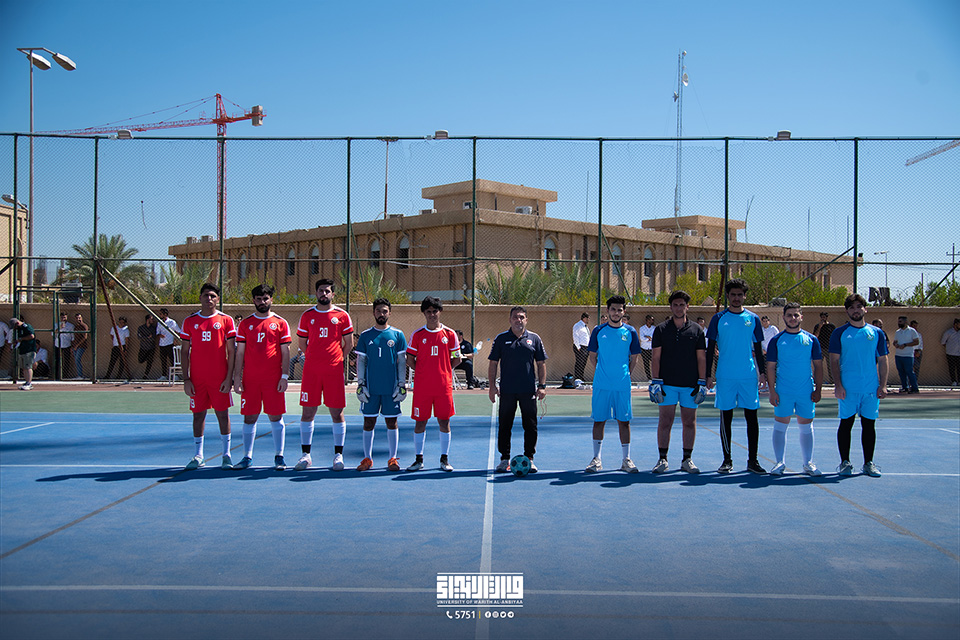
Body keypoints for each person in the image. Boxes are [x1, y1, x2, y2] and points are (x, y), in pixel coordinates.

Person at [706, 278, 767, 474]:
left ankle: (753, 461)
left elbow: (758, 348)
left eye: (740, 294)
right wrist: (708, 375)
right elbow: (710, 349)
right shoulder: (718, 318)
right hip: (725, 376)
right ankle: (727, 460)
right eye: (733, 294)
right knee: (726, 417)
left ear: (745, 296)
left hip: (748, 375)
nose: (736, 298)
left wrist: (762, 373)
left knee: (752, 418)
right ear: (728, 296)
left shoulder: (753, 319)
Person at [294, 278, 354, 471]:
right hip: (311, 371)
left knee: (337, 413)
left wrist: (336, 359)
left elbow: (349, 344)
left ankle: (338, 455)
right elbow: (302, 343)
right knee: (308, 412)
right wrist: (313, 357)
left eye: (327, 291)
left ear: (333, 294)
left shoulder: (342, 315)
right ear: (316, 293)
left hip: (333, 371)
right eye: (321, 290)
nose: (324, 294)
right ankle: (306, 455)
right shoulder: (307, 315)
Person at [232, 284, 291, 470]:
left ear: (271, 299)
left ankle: (279, 456)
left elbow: (285, 352)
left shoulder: (280, 323)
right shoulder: (245, 324)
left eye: (266, 298)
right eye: (259, 299)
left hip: (273, 380)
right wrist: (237, 377)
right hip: (250, 380)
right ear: (253, 301)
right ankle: (247, 457)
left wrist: (284, 376)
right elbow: (240, 353)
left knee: (275, 417)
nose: (262, 302)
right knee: (249, 418)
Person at [648, 290, 707, 474]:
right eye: (675, 305)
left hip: (690, 385)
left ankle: (687, 459)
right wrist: (656, 382)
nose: (679, 308)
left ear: (687, 307)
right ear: (671, 307)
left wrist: (702, 382)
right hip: (667, 385)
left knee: (689, 422)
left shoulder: (697, 330)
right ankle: (662, 459)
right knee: (665, 421)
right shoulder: (661, 329)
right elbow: (655, 357)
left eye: (682, 305)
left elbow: (701, 358)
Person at [830, 294, 888, 477]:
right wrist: (838, 385)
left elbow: (883, 360)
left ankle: (868, 463)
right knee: (846, 424)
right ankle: (845, 463)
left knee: (869, 425)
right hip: (848, 389)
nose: (855, 310)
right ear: (847, 311)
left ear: (865, 309)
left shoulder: (876, 333)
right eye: (851, 307)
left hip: (870, 389)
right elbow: (834, 361)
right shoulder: (839, 333)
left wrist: (883, 385)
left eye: (859, 307)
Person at [181, 283, 237, 470]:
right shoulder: (190, 321)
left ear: (218, 299)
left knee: (223, 415)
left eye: (213, 296)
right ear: (200, 297)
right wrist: (186, 379)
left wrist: (229, 378)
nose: (209, 299)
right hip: (197, 380)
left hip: (219, 379)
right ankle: (198, 455)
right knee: (198, 416)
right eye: (206, 295)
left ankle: (226, 455)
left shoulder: (226, 320)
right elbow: (184, 351)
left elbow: (231, 351)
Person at [765, 303, 824, 476]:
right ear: (784, 317)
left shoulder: (811, 340)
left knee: (806, 426)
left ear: (801, 317)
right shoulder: (777, 340)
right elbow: (770, 367)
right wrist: (772, 391)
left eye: (796, 315)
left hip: (805, 391)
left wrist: (818, 389)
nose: (793, 318)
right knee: (780, 425)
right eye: (789, 315)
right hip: (783, 391)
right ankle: (779, 463)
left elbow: (818, 366)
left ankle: (808, 463)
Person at [585, 295, 642, 473]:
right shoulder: (598, 331)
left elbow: (634, 358)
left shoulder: (631, 332)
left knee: (624, 422)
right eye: (613, 309)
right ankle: (596, 459)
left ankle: (626, 460)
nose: (616, 313)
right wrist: (602, 371)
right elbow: (592, 356)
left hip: (622, 385)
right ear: (607, 310)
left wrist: (624, 374)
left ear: (624, 311)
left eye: (619, 310)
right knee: (599, 421)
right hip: (602, 384)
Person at [488, 306, 548, 473]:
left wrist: (542, 386)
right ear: (510, 319)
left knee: (530, 426)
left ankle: (529, 458)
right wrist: (492, 387)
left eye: (521, 317)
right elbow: (493, 363)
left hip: (528, 390)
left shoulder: (534, 338)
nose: (518, 320)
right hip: (507, 391)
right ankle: (504, 459)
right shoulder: (501, 339)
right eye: (515, 317)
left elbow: (541, 363)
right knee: (505, 425)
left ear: (526, 320)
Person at [406, 296, 461, 472]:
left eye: (435, 311)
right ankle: (418, 459)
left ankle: (444, 459)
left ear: (440, 312)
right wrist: (423, 373)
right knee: (420, 422)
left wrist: (443, 370)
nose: (432, 314)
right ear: (424, 313)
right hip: (422, 388)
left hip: (443, 387)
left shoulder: (450, 334)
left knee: (444, 422)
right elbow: (410, 359)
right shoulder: (417, 335)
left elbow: (457, 358)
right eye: (428, 311)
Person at [354, 298, 408, 472]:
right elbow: (361, 361)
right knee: (368, 422)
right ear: (373, 312)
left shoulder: (397, 335)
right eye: (378, 311)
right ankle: (367, 459)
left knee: (392, 422)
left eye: (385, 311)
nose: (381, 314)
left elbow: (401, 361)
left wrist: (402, 384)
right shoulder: (365, 335)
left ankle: (392, 458)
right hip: (371, 389)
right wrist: (360, 384)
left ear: (389, 313)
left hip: (391, 389)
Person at [892, 315, 920, 394]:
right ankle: (905, 387)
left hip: (908, 355)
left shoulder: (912, 331)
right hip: (898, 355)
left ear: (905, 322)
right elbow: (895, 342)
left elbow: (916, 342)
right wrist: (896, 344)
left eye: (900, 321)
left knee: (909, 371)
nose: (899, 323)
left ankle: (914, 388)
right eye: (898, 322)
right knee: (901, 372)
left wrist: (905, 345)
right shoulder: (898, 332)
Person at [10, 318, 37, 390]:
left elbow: (31, 336)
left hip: (29, 350)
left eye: (15, 326)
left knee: (28, 367)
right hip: (22, 350)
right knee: (24, 368)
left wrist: (21, 339)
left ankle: (29, 383)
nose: (15, 328)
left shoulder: (27, 327)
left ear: (17, 323)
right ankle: (26, 382)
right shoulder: (19, 329)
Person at [156, 308, 180, 380]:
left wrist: (175, 339)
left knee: (172, 360)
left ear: (165, 314)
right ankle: (164, 375)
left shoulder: (172, 322)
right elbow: (157, 333)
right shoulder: (159, 322)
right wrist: (160, 335)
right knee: (163, 360)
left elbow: (178, 331)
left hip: (170, 343)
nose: (160, 315)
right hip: (162, 344)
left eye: (161, 314)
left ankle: (175, 375)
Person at [105, 317, 131, 381]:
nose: (121, 324)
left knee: (122, 363)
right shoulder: (114, 328)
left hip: (122, 346)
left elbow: (127, 340)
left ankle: (118, 376)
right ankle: (107, 375)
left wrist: (125, 349)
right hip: (116, 347)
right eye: (120, 322)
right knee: (112, 362)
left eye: (123, 323)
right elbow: (112, 336)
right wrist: (115, 342)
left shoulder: (126, 330)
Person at [813, 312, 836, 383]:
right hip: (820, 348)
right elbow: (815, 336)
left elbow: (834, 336)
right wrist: (820, 327)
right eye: (821, 317)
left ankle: (832, 381)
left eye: (824, 317)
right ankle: (816, 380)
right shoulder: (817, 326)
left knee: (830, 365)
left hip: (829, 348)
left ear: (827, 317)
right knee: (818, 365)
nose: (823, 318)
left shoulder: (831, 326)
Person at [52, 312, 75, 380]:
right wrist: (59, 328)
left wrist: (72, 346)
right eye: (62, 317)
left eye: (64, 317)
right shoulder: (56, 325)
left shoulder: (71, 326)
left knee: (66, 361)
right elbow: (53, 334)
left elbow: (72, 337)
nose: (63, 319)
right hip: (58, 345)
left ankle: (65, 376)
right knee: (57, 360)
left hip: (67, 345)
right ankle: (57, 376)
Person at [137, 314, 158, 380]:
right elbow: (139, 337)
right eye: (151, 319)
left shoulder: (153, 328)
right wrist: (147, 337)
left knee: (150, 362)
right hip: (143, 347)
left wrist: (145, 338)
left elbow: (153, 338)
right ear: (148, 320)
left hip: (151, 348)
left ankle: (145, 376)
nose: (153, 320)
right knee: (140, 360)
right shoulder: (141, 328)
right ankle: (146, 358)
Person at [941, 318, 960, 388]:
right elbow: (943, 342)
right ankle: (954, 381)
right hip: (951, 353)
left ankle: (959, 381)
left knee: (959, 368)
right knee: (952, 368)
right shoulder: (948, 332)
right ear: (955, 324)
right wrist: (950, 347)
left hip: (959, 353)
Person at [572, 312, 590, 382]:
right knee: (579, 363)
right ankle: (577, 378)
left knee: (583, 363)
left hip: (586, 347)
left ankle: (581, 377)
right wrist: (578, 347)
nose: (588, 320)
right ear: (584, 318)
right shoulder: (578, 325)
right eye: (588, 318)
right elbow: (575, 336)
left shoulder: (585, 326)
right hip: (580, 347)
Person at [638, 314, 656, 381]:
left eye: (653, 320)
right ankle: (649, 378)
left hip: (651, 348)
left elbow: (654, 338)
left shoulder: (654, 328)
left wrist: (647, 337)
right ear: (647, 320)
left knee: (654, 363)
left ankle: (655, 376)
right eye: (651, 319)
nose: (652, 321)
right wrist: (649, 338)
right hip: (644, 348)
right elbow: (642, 338)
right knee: (646, 364)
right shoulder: (642, 328)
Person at [72, 312, 89, 379]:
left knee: (77, 359)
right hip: (75, 346)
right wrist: (73, 346)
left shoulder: (84, 326)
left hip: (81, 346)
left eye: (79, 318)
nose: (78, 319)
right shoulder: (76, 327)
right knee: (76, 361)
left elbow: (84, 337)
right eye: (77, 318)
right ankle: (79, 375)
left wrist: (77, 345)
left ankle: (80, 375)